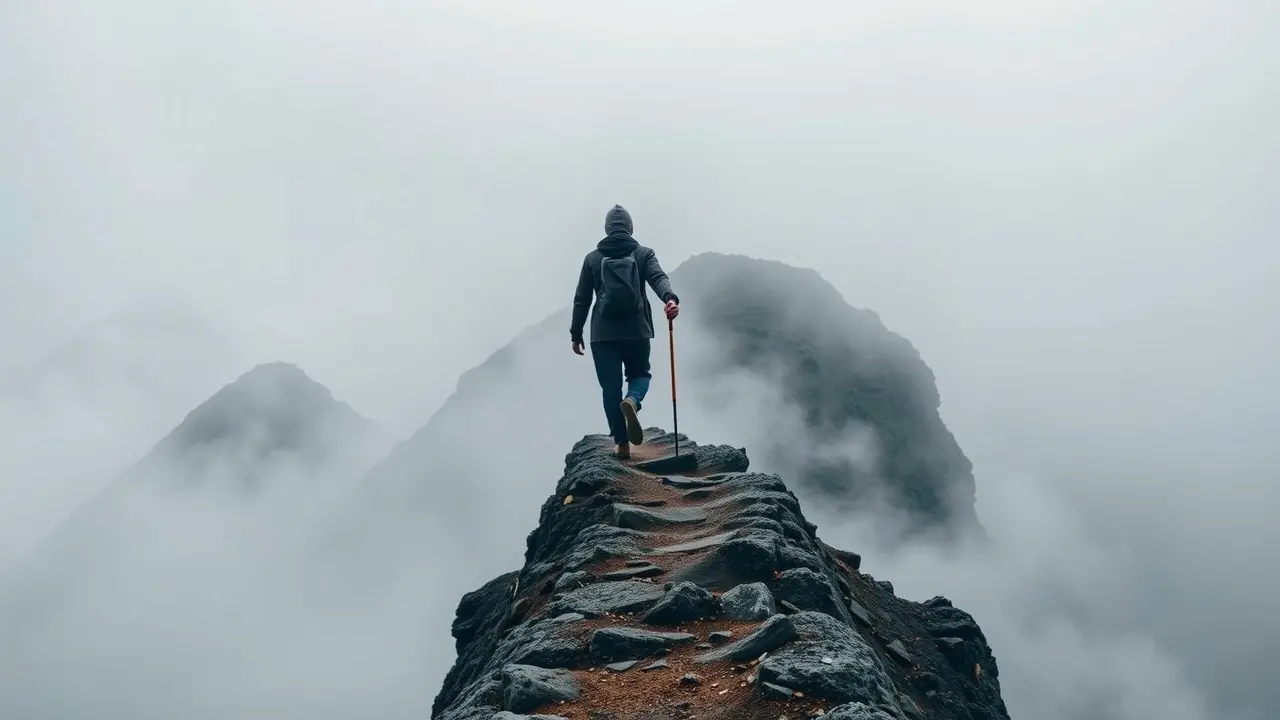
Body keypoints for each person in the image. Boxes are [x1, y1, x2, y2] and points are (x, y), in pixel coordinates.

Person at [570, 205, 680, 459]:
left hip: (602, 334)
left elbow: (581, 299)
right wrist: (669, 298)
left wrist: (576, 333)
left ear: (607, 229)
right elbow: (658, 278)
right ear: (630, 228)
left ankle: (621, 444)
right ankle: (633, 400)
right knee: (640, 374)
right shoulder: (643, 254)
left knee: (610, 387)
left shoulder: (592, 259)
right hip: (637, 330)